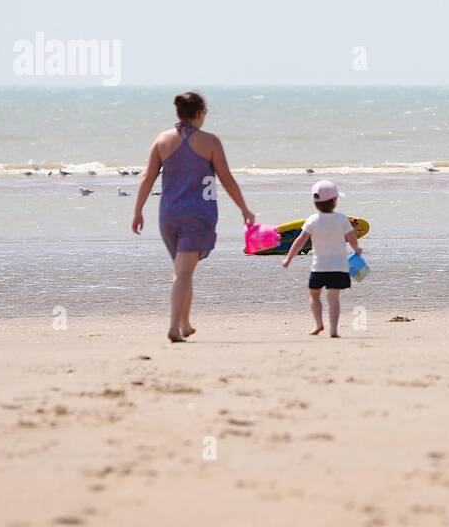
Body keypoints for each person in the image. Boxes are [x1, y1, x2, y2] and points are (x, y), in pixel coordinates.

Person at [132, 92, 255, 342]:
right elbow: (227, 178)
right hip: (197, 215)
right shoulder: (210, 142)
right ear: (200, 113)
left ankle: (185, 323)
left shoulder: (162, 140)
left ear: (179, 113)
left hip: (168, 215)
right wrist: (244, 208)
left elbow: (147, 178)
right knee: (184, 273)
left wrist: (138, 211)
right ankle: (174, 327)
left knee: (182, 271)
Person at [282, 180, 362, 338]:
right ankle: (334, 330)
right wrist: (357, 249)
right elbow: (352, 238)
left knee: (314, 295)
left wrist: (288, 259)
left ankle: (318, 323)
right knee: (333, 299)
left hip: (319, 268)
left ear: (315, 202)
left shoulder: (312, 220)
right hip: (339, 268)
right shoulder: (341, 219)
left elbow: (299, 242)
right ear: (335, 201)